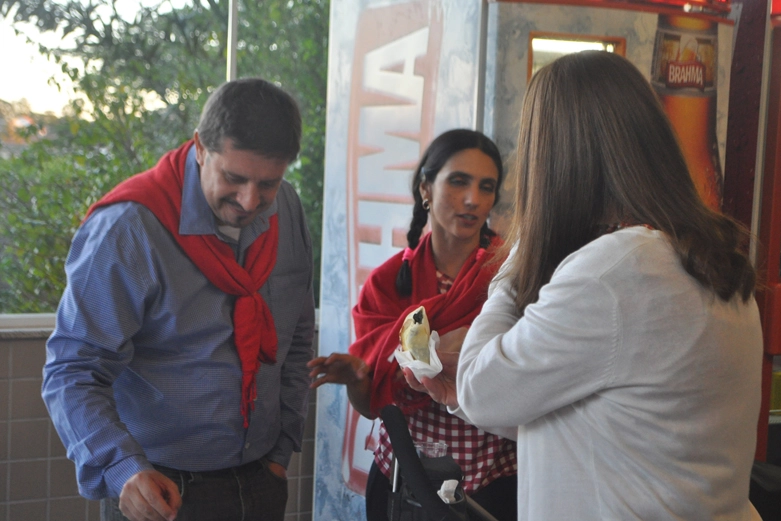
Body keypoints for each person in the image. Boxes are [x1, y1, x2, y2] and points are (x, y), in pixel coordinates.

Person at [409, 51, 763, 520]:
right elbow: (606, 419)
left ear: (556, 162)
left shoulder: (613, 270)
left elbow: (479, 386)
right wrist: (471, 395)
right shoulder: (700, 251)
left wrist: (521, 258)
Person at [42, 78, 316, 521]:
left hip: (262, 480)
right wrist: (122, 469)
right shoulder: (129, 228)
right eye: (234, 178)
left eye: (267, 182)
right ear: (200, 148)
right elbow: (72, 369)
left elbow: (296, 335)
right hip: (162, 490)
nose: (250, 200)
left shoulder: (286, 206)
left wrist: (282, 451)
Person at [308, 129, 518, 521]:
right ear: (426, 187)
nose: (473, 199)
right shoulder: (386, 284)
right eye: (458, 181)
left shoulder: (512, 276)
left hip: (493, 484)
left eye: (486, 187)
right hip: (402, 480)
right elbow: (374, 405)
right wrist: (357, 378)